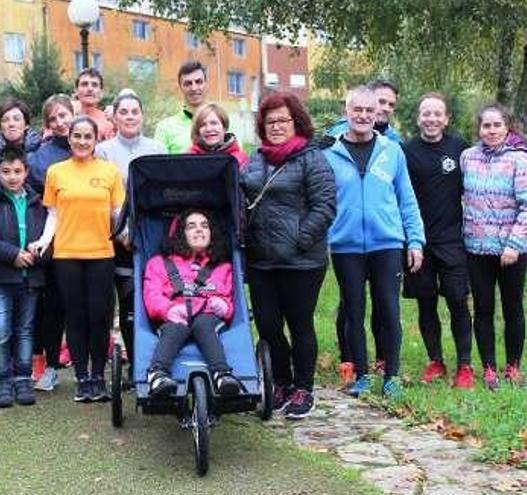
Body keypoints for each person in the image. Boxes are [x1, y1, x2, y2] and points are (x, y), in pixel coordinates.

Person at [324, 84, 425, 399]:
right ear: (347, 111)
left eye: (370, 110)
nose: (364, 115)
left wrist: (416, 241)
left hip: (387, 244)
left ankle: (392, 376)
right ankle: (363, 375)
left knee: (388, 308)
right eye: (358, 110)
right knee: (354, 311)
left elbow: (407, 199)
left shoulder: (392, 151)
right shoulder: (329, 152)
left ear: (377, 113)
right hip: (346, 246)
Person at [241, 91, 336, 419]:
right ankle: (279, 380)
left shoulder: (312, 158)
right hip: (261, 260)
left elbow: (325, 206)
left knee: (300, 324)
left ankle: (303, 387)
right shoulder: (255, 160)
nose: (277, 126)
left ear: (296, 122)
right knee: (268, 325)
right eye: (270, 122)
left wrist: (300, 238)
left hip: (301, 261)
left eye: (283, 120)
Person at [29, 116, 126, 403]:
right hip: (67, 255)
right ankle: (82, 377)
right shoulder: (56, 172)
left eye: (88, 136)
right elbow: (53, 215)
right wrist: (44, 241)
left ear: (96, 140)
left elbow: (118, 213)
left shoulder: (110, 172)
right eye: (77, 136)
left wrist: (128, 236)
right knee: (75, 317)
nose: (82, 142)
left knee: (99, 316)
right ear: (69, 138)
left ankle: (98, 375)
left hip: (101, 254)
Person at [461, 103, 527, 390]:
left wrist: (515, 244)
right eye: (486, 125)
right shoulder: (467, 158)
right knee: (482, 309)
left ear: (507, 127)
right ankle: (488, 368)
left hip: (511, 252)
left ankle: (513, 367)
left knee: (512, 309)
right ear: (479, 128)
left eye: (497, 125)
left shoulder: (520, 160)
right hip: (476, 250)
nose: (492, 130)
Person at [401, 92, 474, 389]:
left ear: (446, 119)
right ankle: (436, 361)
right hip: (419, 242)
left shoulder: (460, 149)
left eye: (437, 114)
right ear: (418, 118)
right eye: (426, 114)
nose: (431, 119)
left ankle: (465, 366)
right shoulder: (405, 151)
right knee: (426, 303)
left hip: (453, 241)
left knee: (458, 301)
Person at [0, 147, 48, 408]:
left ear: (26, 172)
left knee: (25, 331)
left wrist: (37, 254)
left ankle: (23, 379)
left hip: (30, 278)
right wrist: (11, 254)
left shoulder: (37, 203)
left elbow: (49, 236)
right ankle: (3, 381)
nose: (12, 177)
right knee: (0, 332)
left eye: (17, 171)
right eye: (6, 172)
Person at [96, 92, 166, 382]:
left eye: (134, 111)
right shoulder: (103, 151)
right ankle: (135, 363)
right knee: (128, 303)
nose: (129, 116)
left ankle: (157, 361)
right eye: (123, 112)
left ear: (142, 115)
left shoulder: (158, 148)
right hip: (120, 238)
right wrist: (122, 232)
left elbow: (164, 194)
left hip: (152, 236)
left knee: (155, 299)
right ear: (114, 117)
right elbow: (104, 197)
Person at [142, 209, 242, 397]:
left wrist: (224, 307)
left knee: (204, 324)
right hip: (173, 316)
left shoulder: (223, 267)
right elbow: (152, 294)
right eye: (191, 226)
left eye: (204, 226)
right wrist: (168, 310)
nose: (199, 230)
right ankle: (157, 374)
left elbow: (229, 299)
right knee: (175, 328)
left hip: (207, 317)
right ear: (180, 233)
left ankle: (222, 374)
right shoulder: (158, 264)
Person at [26, 93, 75, 391]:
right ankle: (50, 364)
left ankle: (88, 366)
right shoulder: (39, 158)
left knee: (83, 307)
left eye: (63, 115)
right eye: (53, 118)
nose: (60, 122)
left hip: (88, 239)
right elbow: (37, 203)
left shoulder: (89, 144)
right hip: (54, 242)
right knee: (53, 308)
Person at [0, 98, 42, 190]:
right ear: (0, 127)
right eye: (5, 120)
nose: (11, 124)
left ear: (26, 125)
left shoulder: (40, 151)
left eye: (16, 119)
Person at [155, 61, 209, 154]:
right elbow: (158, 166)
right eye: (188, 83)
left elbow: (236, 163)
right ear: (180, 87)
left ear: (206, 84)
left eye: (198, 82)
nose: (194, 88)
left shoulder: (222, 123)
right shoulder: (165, 128)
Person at [187, 103, 249, 168]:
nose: (208, 129)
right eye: (203, 125)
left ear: (224, 127)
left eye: (214, 123)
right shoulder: (189, 159)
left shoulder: (239, 159)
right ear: (198, 130)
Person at [74, 68, 116, 142]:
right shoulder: (64, 119)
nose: (90, 89)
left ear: (101, 92)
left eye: (94, 85)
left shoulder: (109, 122)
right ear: (76, 91)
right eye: (84, 84)